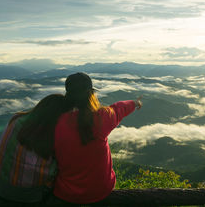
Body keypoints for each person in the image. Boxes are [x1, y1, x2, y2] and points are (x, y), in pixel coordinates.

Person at [53, 72, 142, 204]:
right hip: (101, 189)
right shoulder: (102, 117)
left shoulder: (57, 121)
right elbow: (119, 109)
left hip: (67, 191)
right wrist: (135, 103)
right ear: (91, 94)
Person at [0, 93, 66, 203]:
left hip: (5, 189)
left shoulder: (16, 121)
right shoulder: (58, 131)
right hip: (35, 194)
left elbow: (1, 151)